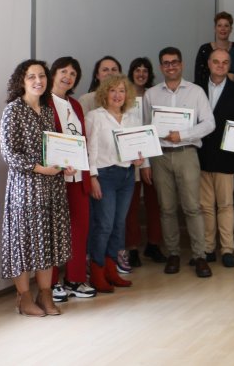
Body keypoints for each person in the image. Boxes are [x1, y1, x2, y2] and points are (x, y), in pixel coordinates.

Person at [0, 59, 73, 316]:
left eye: (42, 76)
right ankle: (24, 298)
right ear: (22, 80)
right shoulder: (13, 110)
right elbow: (9, 154)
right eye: (32, 76)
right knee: (23, 243)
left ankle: (45, 295)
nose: (38, 81)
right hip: (25, 188)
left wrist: (66, 164)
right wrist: (41, 168)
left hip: (52, 187)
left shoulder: (48, 110)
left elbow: (54, 148)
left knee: (48, 242)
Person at [142, 47, 216, 278]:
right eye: (166, 63)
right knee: (167, 208)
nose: (171, 66)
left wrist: (182, 135)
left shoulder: (195, 92)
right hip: (160, 156)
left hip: (186, 153)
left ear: (181, 65)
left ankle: (200, 256)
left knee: (193, 207)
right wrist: (145, 163)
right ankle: (173, 253)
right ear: (161, 67)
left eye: (174, 62)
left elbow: (209, 124)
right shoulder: (151, 94)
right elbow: (145, 129)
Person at [85, 74, 145, 292]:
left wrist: (139, 159)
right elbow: (90, 149)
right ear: (105, 93)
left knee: (119, 226)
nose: (118, 95)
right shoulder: (95, 117)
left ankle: (112, 271)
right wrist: (92, 178)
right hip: (104, 176)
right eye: (113, 90)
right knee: (104, 226)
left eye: (122, 90)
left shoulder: (132, 118)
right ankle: (98, 271)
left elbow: (137, 148)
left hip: (127, 175)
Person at [46, 58, 95, 301]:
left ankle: (75, 279)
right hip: (55, 177)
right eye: (63, 71)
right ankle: (52, 283)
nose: (68, 76)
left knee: (79, 228)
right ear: (53, 73)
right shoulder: (44, 102)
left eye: (73, 73)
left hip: (78, 176)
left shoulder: (75, 104)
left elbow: (82, 140)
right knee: (55, 230)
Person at [196, 49, 234, 268]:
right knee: (205, 206)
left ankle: (227, 249)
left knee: (226, 205)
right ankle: (208, 248)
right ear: (208, 63)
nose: (220, 65)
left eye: (225, 62)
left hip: (227, 157)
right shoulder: (195, 89)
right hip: (200, 156)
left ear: (229, 65)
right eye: (216, 61)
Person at [125, 57, 166, 267]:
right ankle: (132, 248)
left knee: (154, 202)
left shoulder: (154, 95)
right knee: (131, 205)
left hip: (152, 154)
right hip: (130, 156)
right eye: (137, 70)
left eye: (145, 71)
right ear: (131, 72)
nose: (141, 74)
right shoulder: (123, 95)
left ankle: (153, 244)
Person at [195, 11, 234, 89]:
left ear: (231, 29)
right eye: (219, 25)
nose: (223, 29)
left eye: (226, 26)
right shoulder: (204, 49)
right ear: (215, 28)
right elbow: (198, 78)